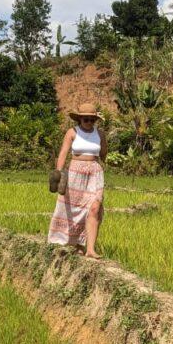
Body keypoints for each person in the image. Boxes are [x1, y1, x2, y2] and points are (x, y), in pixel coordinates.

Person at [48, 103, 107, 258]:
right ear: (80, 119)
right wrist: (59, 173)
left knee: (94, 208)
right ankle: (74, 243)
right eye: (85, 119)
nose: (88, 122)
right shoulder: (72, 132)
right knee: (73, 209)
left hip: (94, 173)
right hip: (75, 172)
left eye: (92, 120)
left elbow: (104, 154)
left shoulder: (100, 134)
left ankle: (91, 249)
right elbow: (63, 153)